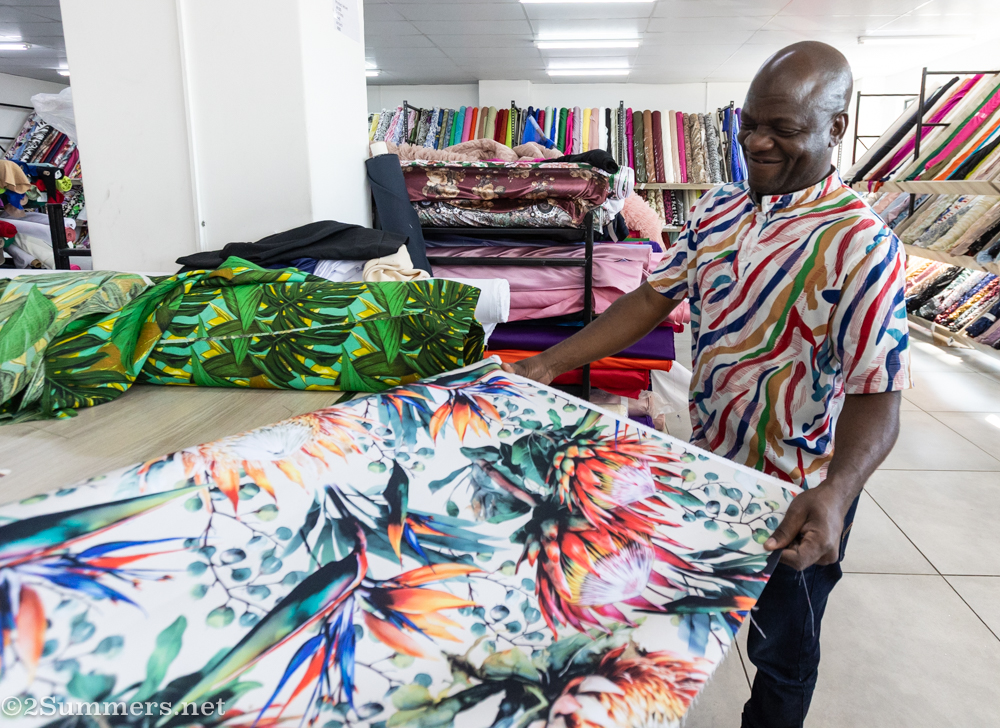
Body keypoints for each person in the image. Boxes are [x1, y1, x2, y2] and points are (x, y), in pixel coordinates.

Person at [502, 41, 911, 728]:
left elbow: (880, 394)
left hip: (798, 491)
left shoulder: (862, 244)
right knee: (677, 614)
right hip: (708, 465)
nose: (756, 142)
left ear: (836, 127)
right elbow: (651, 298)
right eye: (750, 123)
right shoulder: (720, 208)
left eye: (782, 128)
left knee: (783, 650)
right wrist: (549, 363)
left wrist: (838, 493)